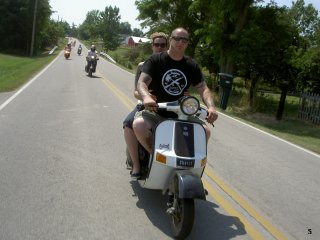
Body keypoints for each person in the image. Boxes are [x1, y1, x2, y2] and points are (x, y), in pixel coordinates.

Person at [133, 27, 218, 167]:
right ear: (171, 40)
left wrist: (211, 107)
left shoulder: (191, 65)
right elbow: (142, 82)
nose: (181, 42)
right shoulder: (155, 60)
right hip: (156, 111)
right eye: (177, 38)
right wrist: (147, 97)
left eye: (184, 40)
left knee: (205, 131)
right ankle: (154, 156)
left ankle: (190, 165)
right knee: (138, 125)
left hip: (182, 114)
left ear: (187, 43)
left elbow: (203, 88)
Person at [123, 32, 168, 179]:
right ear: (152, 46)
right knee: (129, 123)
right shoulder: (143, 65)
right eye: (157, 44)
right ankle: (136, 164)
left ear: (167, 46)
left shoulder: (173, 66)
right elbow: (136, 92)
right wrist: (146, 96)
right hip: (145, 106)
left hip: (169, 107)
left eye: (163, 44)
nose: (159, 47)